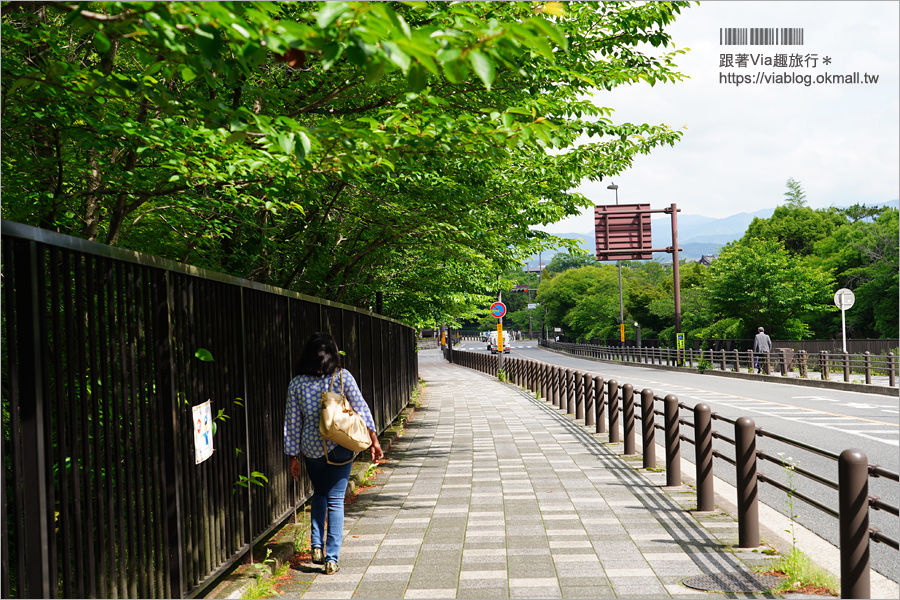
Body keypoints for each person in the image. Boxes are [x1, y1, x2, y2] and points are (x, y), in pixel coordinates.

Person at [284, 332, 383, 575]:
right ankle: (331, 558)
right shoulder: (342, 377)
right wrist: (374, 439)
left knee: (319, 493)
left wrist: (293, 456)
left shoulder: (297, 383)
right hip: (340, 444)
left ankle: (316, 546)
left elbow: (292, 422)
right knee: (336, 499)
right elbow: (361, 407)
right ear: (333, 353)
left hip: (311, 447)